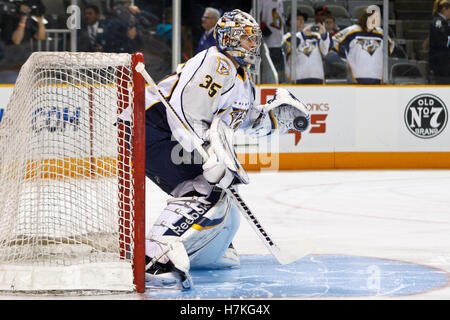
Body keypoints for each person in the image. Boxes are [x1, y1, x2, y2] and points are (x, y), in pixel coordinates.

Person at [131, 9, 310, 289]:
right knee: (202, 188)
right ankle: (154, 257)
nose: (253, 44)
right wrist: (208, 153)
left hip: (163, 131)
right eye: (247, 38)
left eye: (254, 38)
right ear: (230, 37)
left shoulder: (241, 78)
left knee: (220, 193)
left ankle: (208, 250)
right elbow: (186, 110)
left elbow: (243, 119)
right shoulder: (218, 63)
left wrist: (274, 120)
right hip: (151, 124)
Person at [332, 5, 394, 84]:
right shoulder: (352, 30)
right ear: (365, 17)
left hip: (377, 75)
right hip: (356, 75)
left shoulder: (381, 33)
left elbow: (390, 46)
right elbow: (335, 40)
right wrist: (345, 55)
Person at [282, 10, 332, 84]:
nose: (301, 21)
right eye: (298, 19)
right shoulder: (286, 37)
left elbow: (325, 51)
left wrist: (324, 35)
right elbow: (288, 47)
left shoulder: (316, 36)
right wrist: (301, 33)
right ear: (290, 22)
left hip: (317, 76)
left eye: (302, 19)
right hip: (297, 78)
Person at [259, 0, 286, 83]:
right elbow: (253, 17)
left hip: (280, 44)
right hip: (266, 46)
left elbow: (282, 21)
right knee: (269, 77)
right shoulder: (261, 1)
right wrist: (262, 28)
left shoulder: (280, 2)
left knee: (281, 77)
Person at [428, 0, 450, 83]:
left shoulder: (445, 22)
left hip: (445, 61)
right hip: (440, 62)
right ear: (444, 9)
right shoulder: (438, 22)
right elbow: (443, 41)